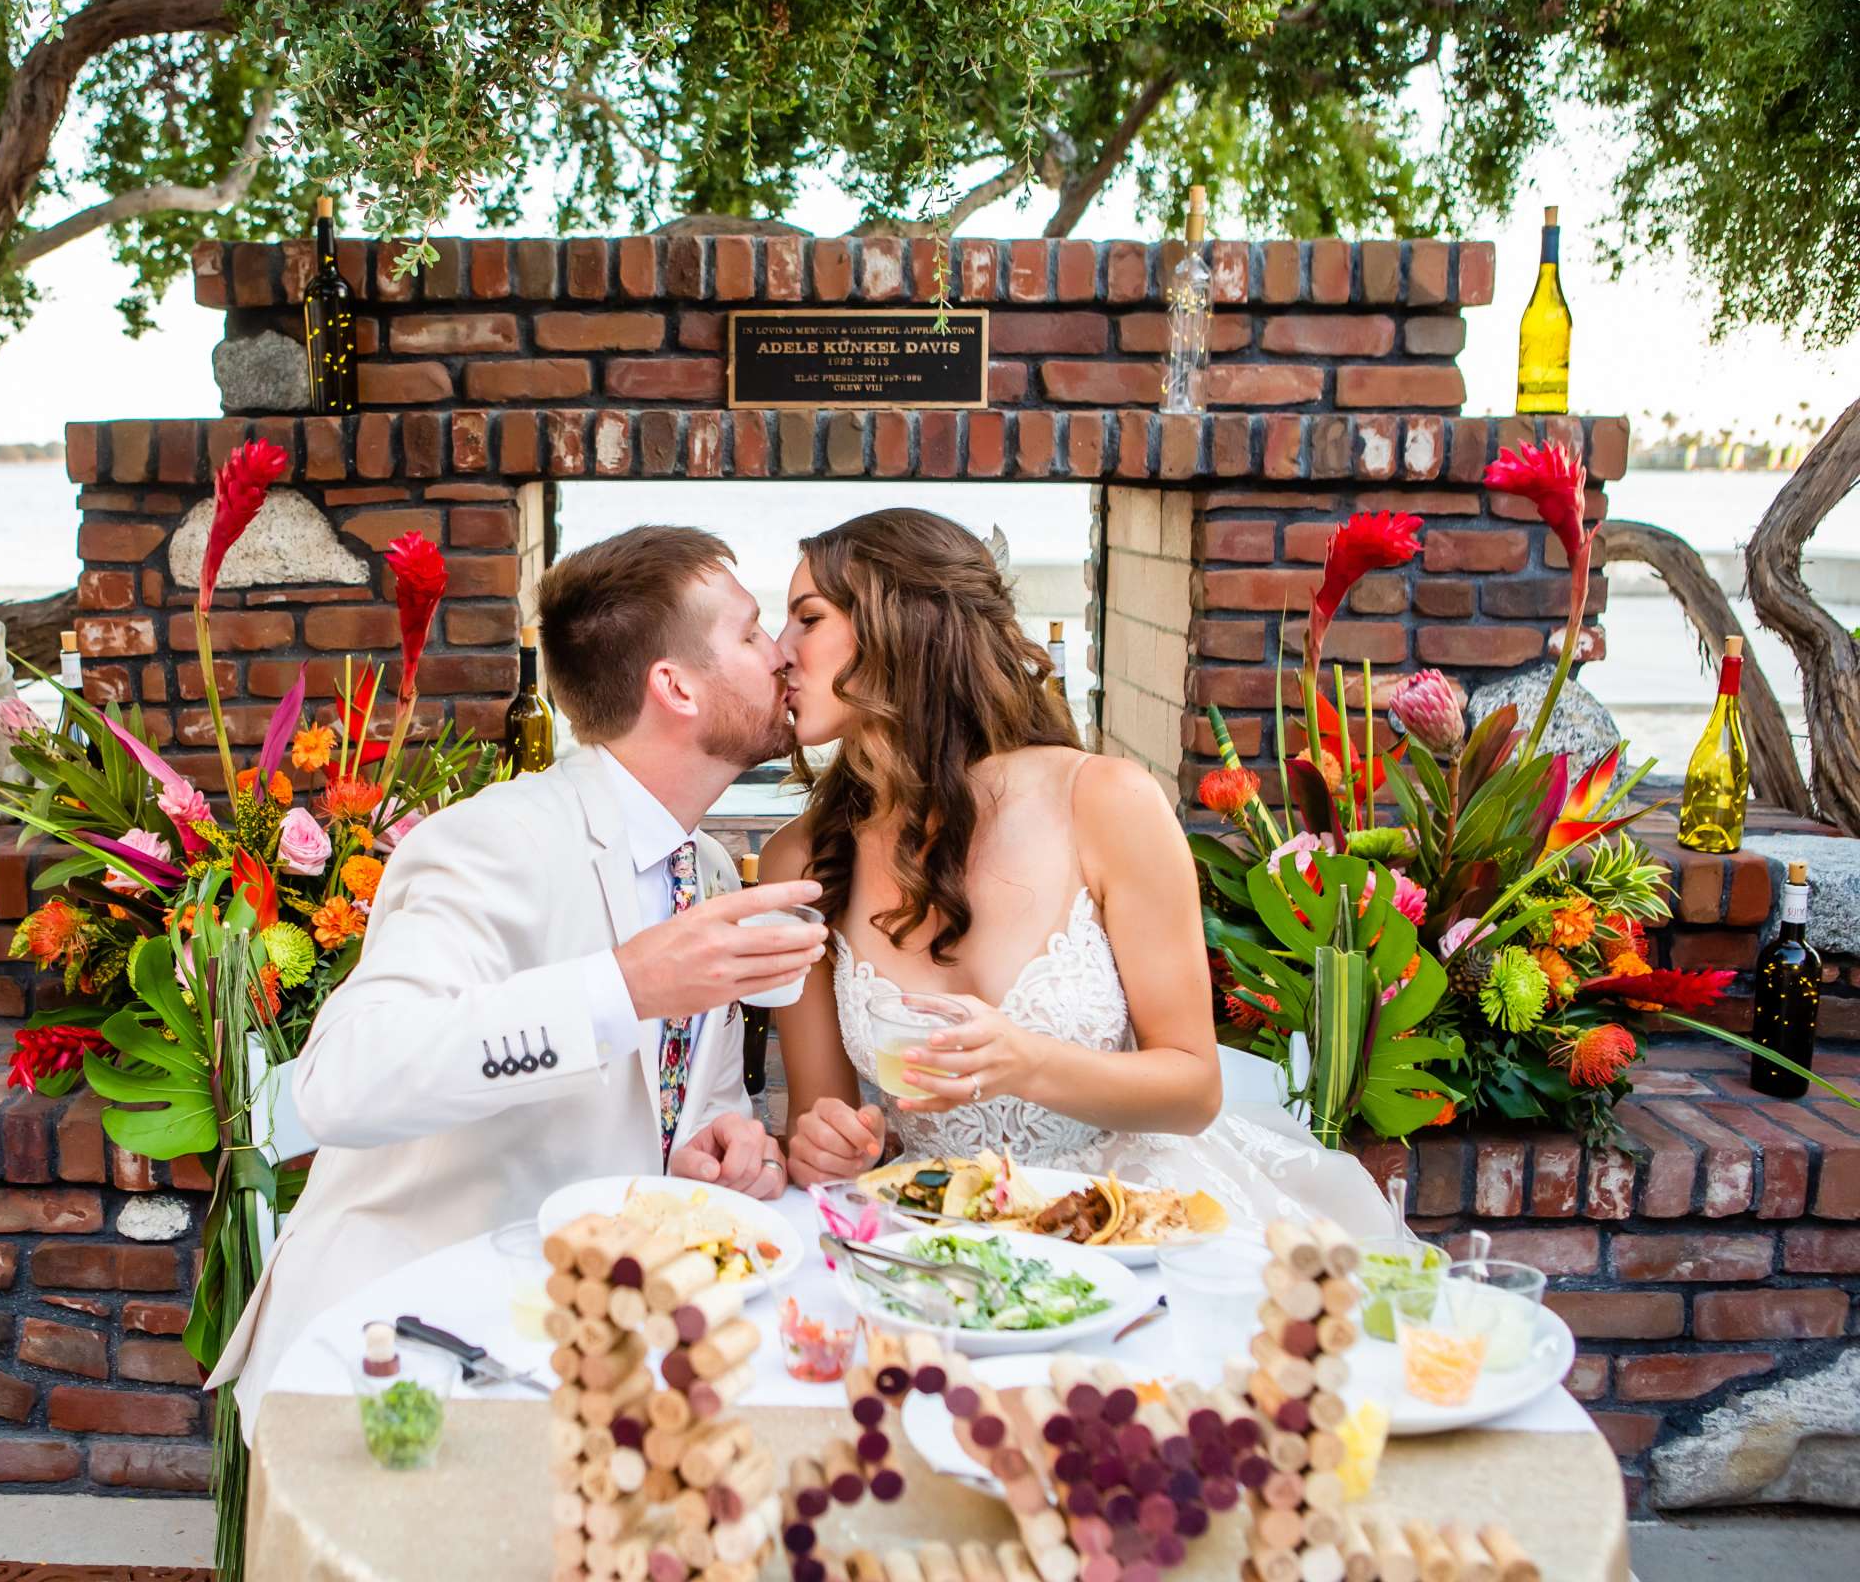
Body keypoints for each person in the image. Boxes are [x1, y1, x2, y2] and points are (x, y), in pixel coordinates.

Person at [213, 525, 828, 1406]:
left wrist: (719, 1150)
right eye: (752, 632)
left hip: (583, 1348)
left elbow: (685, 1103)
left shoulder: (713, 872)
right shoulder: (490, 840)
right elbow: (341, 1083)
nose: (781, 657)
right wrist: (624, 986)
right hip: (408, 1350)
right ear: (676, 686)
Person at [764, 509, 1392, 1234]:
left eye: (806, 620)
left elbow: (1193, 1087)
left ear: (900, 628)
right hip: (933, 1233)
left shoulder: (1105, 802)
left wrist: (1023, 1062)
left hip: (1130, 1223)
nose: (780, 652)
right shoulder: (799, 861)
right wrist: (829, 1146)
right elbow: (822, 1122)